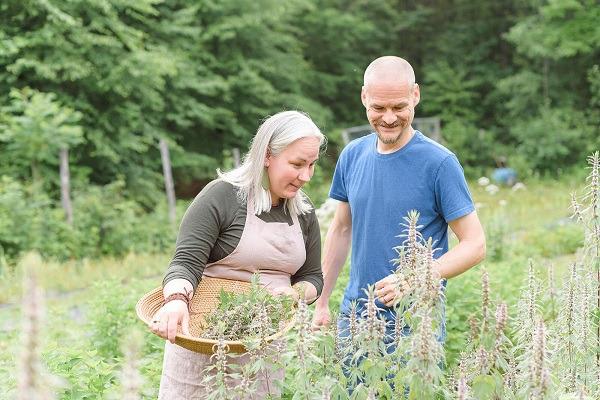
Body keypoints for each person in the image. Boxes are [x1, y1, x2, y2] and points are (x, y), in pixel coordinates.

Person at [149, 110, 326, 399]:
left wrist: (295, 295)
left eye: (312, 165)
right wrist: (176, 300)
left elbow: (312, 277)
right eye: (296, 164)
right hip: (203, 343)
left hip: (264, 349)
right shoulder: (222, 197)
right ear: (267, 155)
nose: (305, 176)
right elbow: (185, 263)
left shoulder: (303, 212)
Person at [312, 56, 486, 344]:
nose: (389, 118)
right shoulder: (352, 155)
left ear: (415, 95)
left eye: (399, 107)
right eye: (378, 107)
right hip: (354, 318)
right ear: (364, 97)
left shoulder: (440, 163)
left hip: (414, 325)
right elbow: (342, 229)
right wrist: (322, 300)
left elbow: (475, 244)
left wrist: (415, 277)